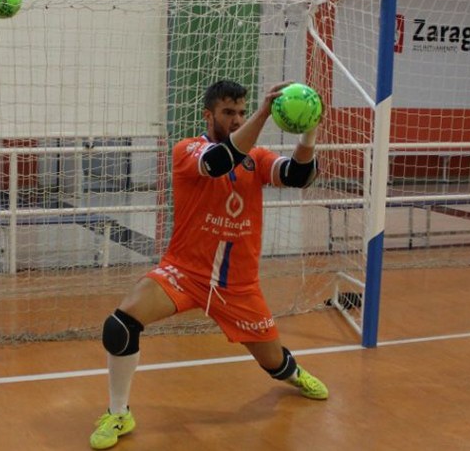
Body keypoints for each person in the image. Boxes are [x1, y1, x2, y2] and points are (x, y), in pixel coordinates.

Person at [89, 79, 328, 450]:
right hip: (184, 273)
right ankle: (118, 412)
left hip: (239, 286)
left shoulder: (257, 158)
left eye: (242, 112)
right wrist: (264, 113)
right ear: (208, 115)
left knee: (275, 364)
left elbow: (299, 176)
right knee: (120, 325)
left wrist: (310, 129)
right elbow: (219, 163)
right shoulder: (187, 149)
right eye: (228, 112)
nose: (237, 119)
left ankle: (293, 373)